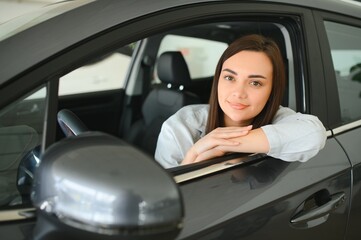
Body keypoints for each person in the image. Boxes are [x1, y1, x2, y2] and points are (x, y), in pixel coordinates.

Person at [155, 34, 326, 168]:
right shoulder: (184, 124)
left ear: (272, 90)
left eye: (255, 83)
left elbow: (314, 135)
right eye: (230, 77)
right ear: (218, 80)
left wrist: (222, 144)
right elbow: (162, 202)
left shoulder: (280, 118)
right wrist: (193, 155)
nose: (238, 93)